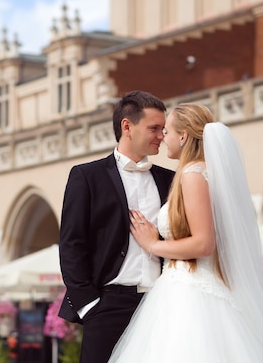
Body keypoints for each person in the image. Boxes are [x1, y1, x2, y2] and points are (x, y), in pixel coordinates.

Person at [108, 103, 263, 362]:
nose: (162, 137)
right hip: (196, 285)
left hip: (189, 292)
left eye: (167, 131)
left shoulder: (193, 174)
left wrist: (152, 245)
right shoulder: (206, 173)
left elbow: (204, 243)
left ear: (183, 136)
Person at [58, 90, 175, 363]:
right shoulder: (86, 176)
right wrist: (89, 305)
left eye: (163, 129)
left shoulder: (171, 180)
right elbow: (71, 244)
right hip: (107, 305)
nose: (161, 136)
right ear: (127, 126)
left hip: (161, 305)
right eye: (154, 128)